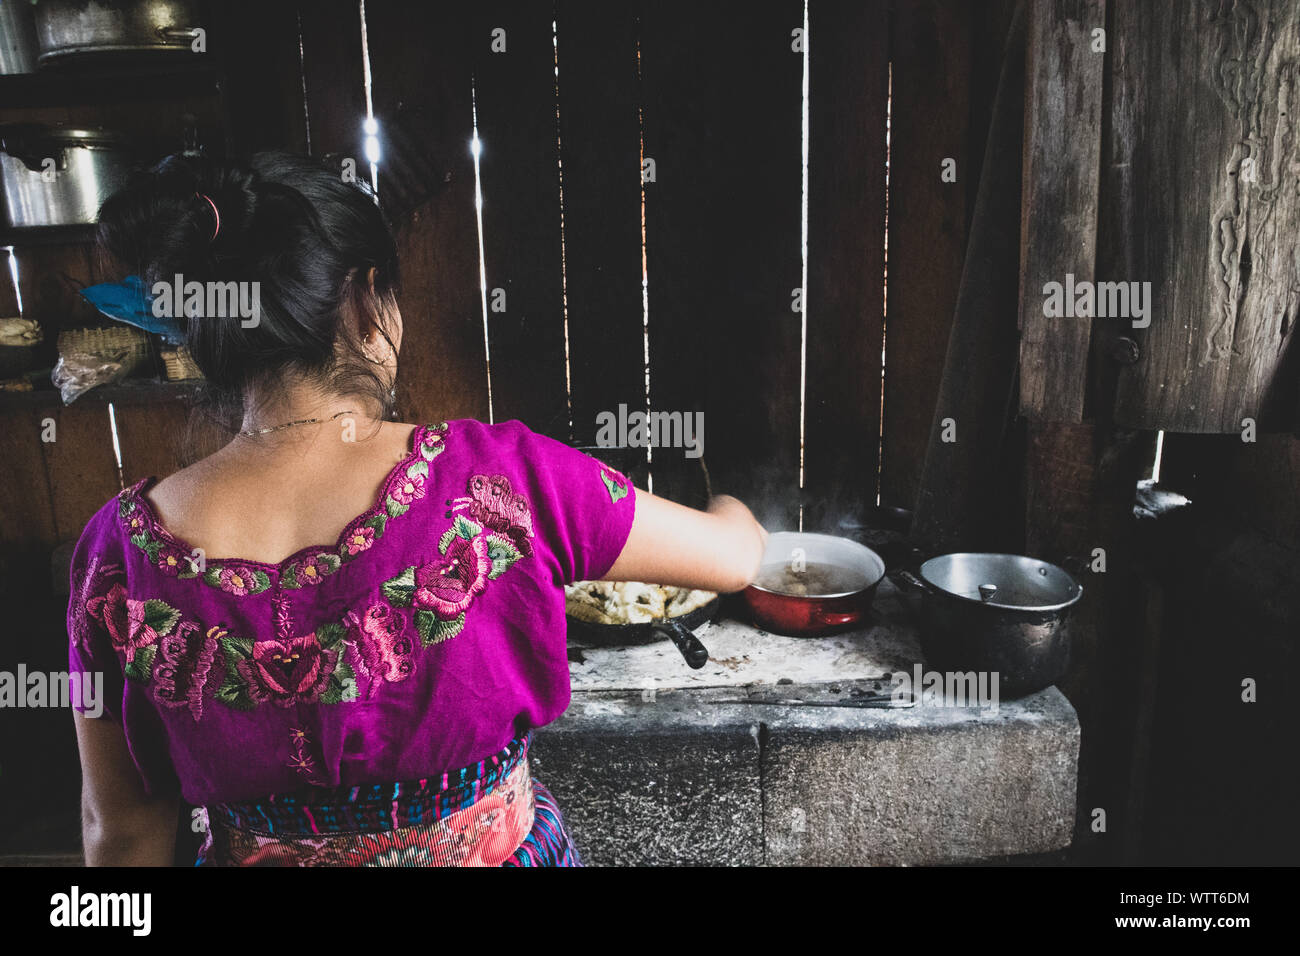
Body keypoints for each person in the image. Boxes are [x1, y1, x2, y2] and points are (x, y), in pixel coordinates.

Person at [67, 152, 765, 866]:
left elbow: (119, 830)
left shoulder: (114, 553)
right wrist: (732, 500)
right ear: (369, 303)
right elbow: (736, 557)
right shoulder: (502, 479)